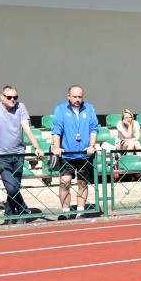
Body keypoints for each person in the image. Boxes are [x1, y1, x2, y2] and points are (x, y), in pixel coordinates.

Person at [0, 86, 44, 224]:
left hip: (18, 154)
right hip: (2, 155)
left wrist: (37, 146)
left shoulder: (20, 107)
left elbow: (26, 128)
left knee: (15, 187)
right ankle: (23, 210)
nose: (12, 100)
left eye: (15, 97)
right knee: (10, 187)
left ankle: (9, 214)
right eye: (9, 97)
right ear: (2, 97)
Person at [50, 85, 98, 221]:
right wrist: (57, 147)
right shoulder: (60, 108)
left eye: (80, 97)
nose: (77, 99)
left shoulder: (89, 107)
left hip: (84, 153)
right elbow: (56, 129)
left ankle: (80, 211)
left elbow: (93, 128)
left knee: (82, 183)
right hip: (67, 154)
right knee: (64, 182)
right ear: (68, 96)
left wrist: (92, 145)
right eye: (74, 96)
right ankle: (65, 211)